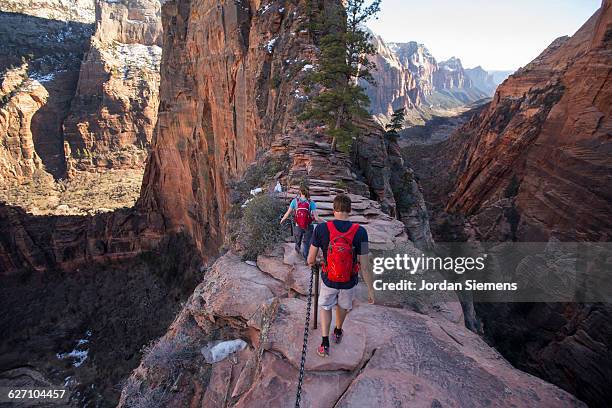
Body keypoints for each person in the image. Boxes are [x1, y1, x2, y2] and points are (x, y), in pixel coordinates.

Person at [307, 194, 375, 358]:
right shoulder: (361, 232)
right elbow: (365, 265)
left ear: (334, 209)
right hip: (349, 281)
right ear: (350, 210)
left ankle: (324, 343)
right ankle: (337, 331)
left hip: (328, 278)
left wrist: (315, 264)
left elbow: (310, 259)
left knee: (325, 306)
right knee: (343, 306)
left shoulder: (321, 229)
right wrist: (371, 290)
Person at [280, 186, 322, 258]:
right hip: (309, 225)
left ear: (300, 192)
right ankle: (306, 258)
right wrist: (325, 222)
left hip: (298, 225)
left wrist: (282, 219)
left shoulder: (295, 201)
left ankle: (297, 254)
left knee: (297, 240)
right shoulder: (311, 202)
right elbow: (316, 218)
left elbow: (288, 213)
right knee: (306, 243)